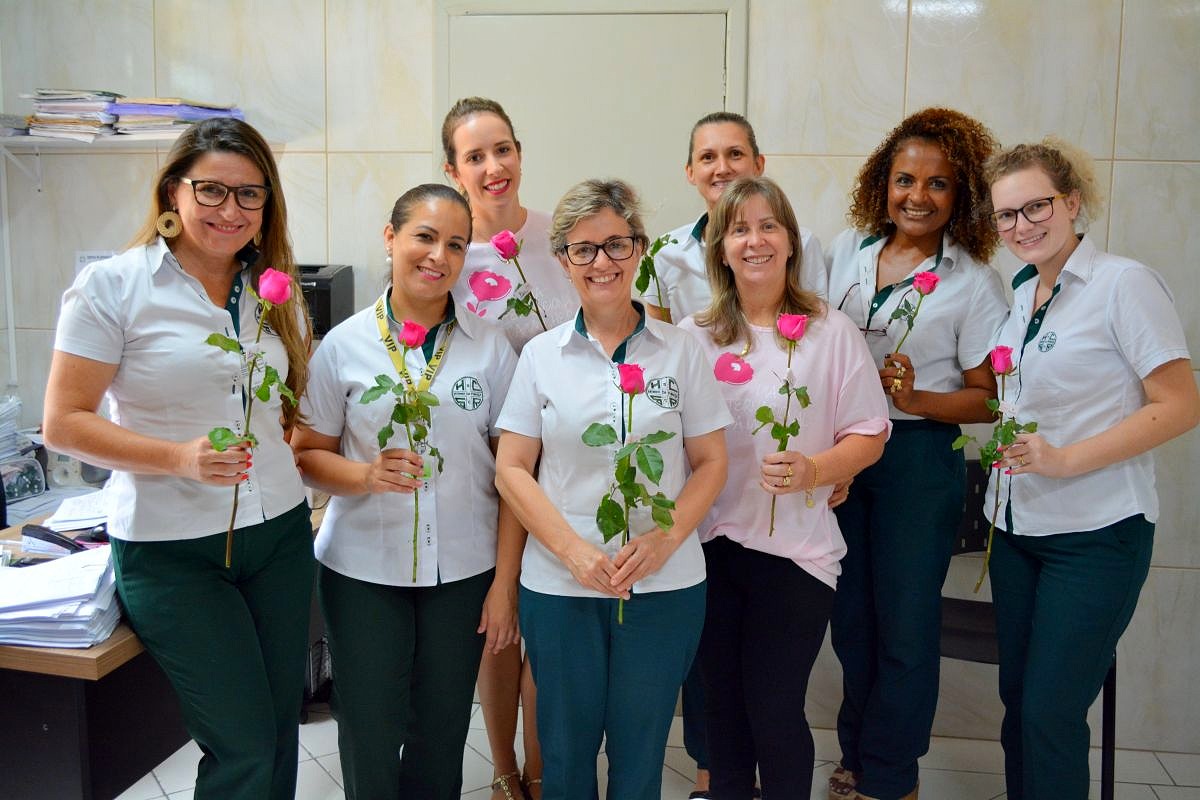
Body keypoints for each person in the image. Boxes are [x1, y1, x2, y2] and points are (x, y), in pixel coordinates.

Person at [42, 118, 314, 800]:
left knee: (281, 729)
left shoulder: (269, 291)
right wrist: (176, 458)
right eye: (212, 191)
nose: (230, 210)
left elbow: (285, 404)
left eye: (250, 196)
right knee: (243, 745)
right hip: (173, 552)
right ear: (173, 190)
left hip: (278, 534)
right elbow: (62, 423)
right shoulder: (113, 287)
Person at [494, 179, 731, 800]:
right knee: (565, 755)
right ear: (563, 260)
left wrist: (664, 540)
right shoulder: (541, 356)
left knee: (641, 753)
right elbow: (512, 468)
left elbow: (710, 461)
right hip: (560, 586)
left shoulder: (681, 352)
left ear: (640, 251)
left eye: (616, 245)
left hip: (664, 586)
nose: (601, 262)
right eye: (583, 249)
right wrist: (573, 553)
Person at [983, 139, 1198, 800]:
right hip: (1019, 532)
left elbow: (1182, 404)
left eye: (1036, 205)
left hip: (1097, 534)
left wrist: (1065, 458)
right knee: (1019, 707)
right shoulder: (1024, 291)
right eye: (1006, 215)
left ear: (1072, 202)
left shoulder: (1121, 284)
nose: (1022, 225)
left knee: (1050, 713)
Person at [290, 183, 521, 799]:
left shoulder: (490, 348)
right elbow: (307, 455)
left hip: (464, 570)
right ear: (390, 239)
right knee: (367, 726)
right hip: (362, 567)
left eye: (455, 244)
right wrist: (364, 475)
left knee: (442, 729)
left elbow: (513, 476)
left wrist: (504, 584)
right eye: (423, 236)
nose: (437, 256)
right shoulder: (343, 346)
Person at [678, 176, 889, 798]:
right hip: (709, 547)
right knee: (721, 715)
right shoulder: (694, 337)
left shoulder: (830, 331)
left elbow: (871, 434)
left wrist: (817, 471)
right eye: (739, 229)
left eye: (768, 225)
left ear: (792, 242)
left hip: (796, 552)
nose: (754, 241)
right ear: (720, 248)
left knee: (773, 709)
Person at [824, 108, 1010, 800]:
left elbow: (989, 399)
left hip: (919, 460)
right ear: (883, 183)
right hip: (848, 456)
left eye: (938, 184)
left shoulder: (974, 282)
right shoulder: (847, 251)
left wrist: (918, 399)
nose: (918, 196)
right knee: (850, 621)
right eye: (905, 179)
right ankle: (858, 757)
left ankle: (891, 774)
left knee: (904, 622)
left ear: (961, 196)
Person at [442, 95, 577, 799]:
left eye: (503, 149)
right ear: (452, 169)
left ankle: (544, 771)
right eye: (475, 156)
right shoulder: (447, 256)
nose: (494, 167)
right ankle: (501, 772)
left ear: (520, 152)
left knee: (549, 636)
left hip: (570, 468)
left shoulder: (565, 237)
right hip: (489, 472)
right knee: (499, 626)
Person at [640, 111, 827, 330]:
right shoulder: (664, 252)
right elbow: (662, 343)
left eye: (735, 154)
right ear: (690, 172)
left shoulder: (801, 244)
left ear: (758, 165)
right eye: (708, 157)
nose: (722, 169)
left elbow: (818, 330)